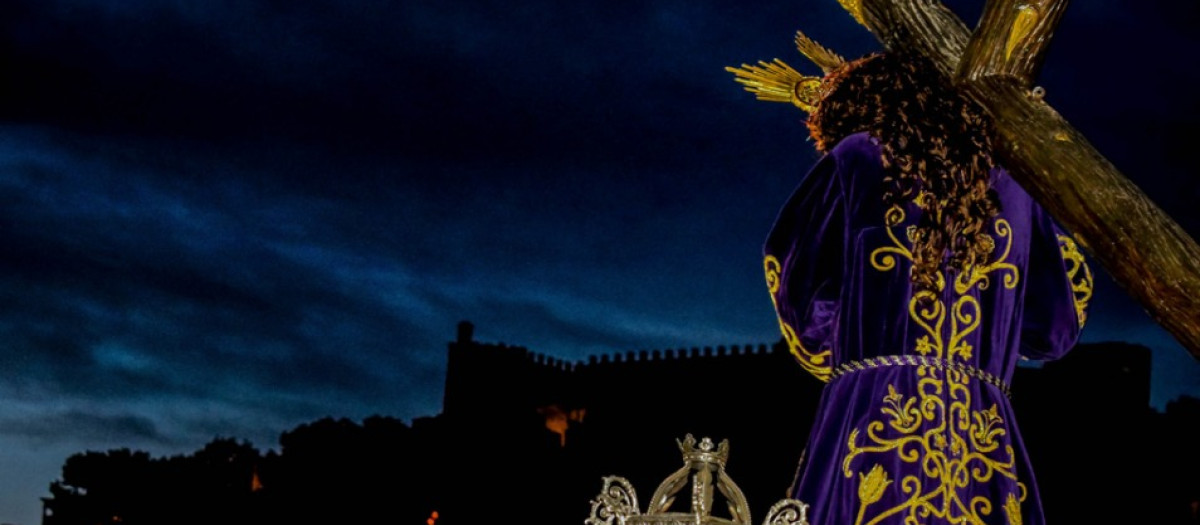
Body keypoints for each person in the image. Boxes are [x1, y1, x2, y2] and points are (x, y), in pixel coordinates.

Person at [759, 50, 1092, 524]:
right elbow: (1054, 331)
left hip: (871, 410)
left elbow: (798, 279)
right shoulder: (1015, 184)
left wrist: (849, 338)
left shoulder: (855, 157)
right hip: (979, 427)